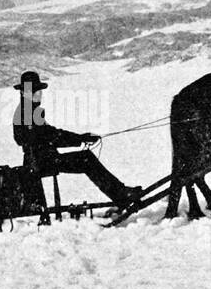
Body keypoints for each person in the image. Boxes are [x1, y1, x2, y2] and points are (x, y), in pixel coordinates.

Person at [11, 71, 142, 209]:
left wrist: (80, 138)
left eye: (39, 91)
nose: (40, 95)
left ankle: (120, 194)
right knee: (86, 159)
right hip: (40, 162)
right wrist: (80, 139)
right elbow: (50, 136)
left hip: (43, 159)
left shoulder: (29, 111)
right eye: (35, 91)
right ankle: (121, 195)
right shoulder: (26, 113)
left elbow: (50, 134)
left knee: (86, 159)